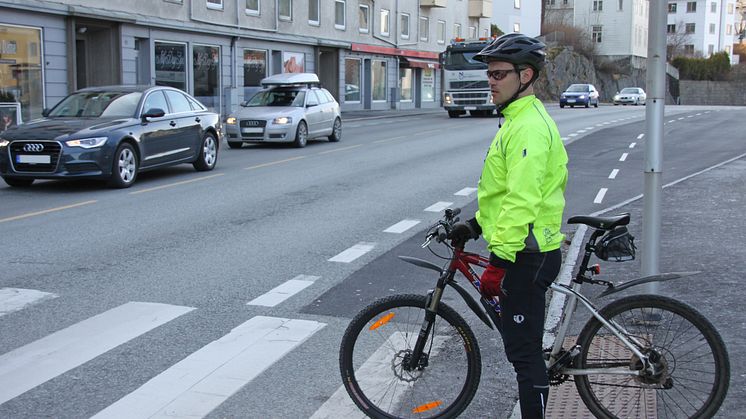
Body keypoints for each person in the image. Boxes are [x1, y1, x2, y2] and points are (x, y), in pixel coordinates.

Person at [449, 33, 568, 419]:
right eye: (490, 74)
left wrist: (499, 261)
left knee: (524, 354)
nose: (491, 81)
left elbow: (522, 200)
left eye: (500, 73)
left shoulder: (527, 128)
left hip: (528, 255)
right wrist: (475, 225)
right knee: (523, 348)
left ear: (526, 75)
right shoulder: (516, 122)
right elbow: (502, 194)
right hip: (527, 250)